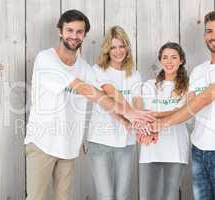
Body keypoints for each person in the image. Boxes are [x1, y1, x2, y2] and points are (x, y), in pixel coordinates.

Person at [24, 10, 152, 200]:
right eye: (69, 30)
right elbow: (83, 88)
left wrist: (126, 120)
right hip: (42, 143)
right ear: (60, 31)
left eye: (79, 32)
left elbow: (101, 97)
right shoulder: (46, 59)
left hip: (68, 146)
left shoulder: (83, 66)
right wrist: (131, 113)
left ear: (84, 35)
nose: (74, 36)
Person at [149, 11, 215, 200]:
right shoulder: (199, 70)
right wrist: (152, 117)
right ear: (205, 35)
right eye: (209, 31)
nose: (214, 35)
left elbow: (203, 99)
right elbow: (188, 106)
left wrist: (161, 124)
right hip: (198, 150)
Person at [86, 26, 142, 200]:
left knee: (122, 194)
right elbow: (110, 98)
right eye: (113, 47)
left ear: (127, 47)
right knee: (106, 195)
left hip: (127, 142)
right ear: (107, 50)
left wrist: (139, 120)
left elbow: (138, 101)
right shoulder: (98, 70)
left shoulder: (134, 74)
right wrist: (129, 118)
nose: (118, 51)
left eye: (122, 46)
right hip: (100, 140)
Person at [137, 42, 190, 200]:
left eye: (174, 57)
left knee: (170, 196)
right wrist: (175, 113)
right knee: (147, 196)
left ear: (181, 60)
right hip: (150, 148)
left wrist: (164, 113)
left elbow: (185, 113)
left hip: (176, 150)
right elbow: (146, 113)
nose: (169, 61)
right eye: (165, 57)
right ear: (160, 60)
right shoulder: (149, 85)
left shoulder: (188, 87)